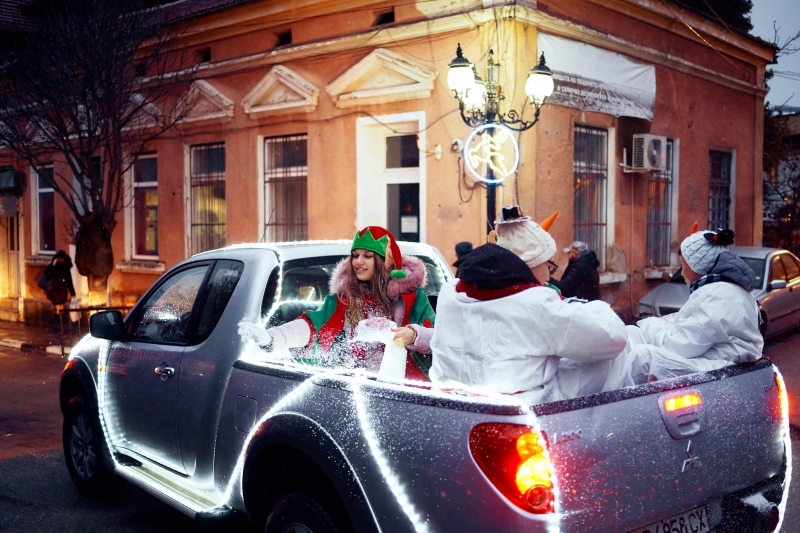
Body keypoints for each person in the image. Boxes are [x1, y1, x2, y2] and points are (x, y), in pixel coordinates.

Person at [430, 207, 627, 404]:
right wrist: (591, 307)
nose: (549, 274)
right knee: (616, 363)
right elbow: (613, 339)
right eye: (548, 264)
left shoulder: (450, 292)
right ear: (531, 265)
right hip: (523, 409)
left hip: (451, 404)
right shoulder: (536, 304)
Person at [250, 226, 436, 381]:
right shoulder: (343, 300)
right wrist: (273, 338)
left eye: (367, 256)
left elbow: (440, 340)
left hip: (411, 394)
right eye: (355, 255)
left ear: (385, 261)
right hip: (359, 390)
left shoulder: (414, 299)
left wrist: (414, 336)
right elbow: (311, 327)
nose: (358, 262)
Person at [604, 226, 761, 389]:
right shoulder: (723, 290)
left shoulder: (717, 296)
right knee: (632, 335)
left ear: (696, 267)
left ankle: (605, 398)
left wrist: (650, 325)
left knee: (643, 358)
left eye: (683, 265)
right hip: (716, 360)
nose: (683, 272)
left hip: (719, 367)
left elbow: (678, 346)